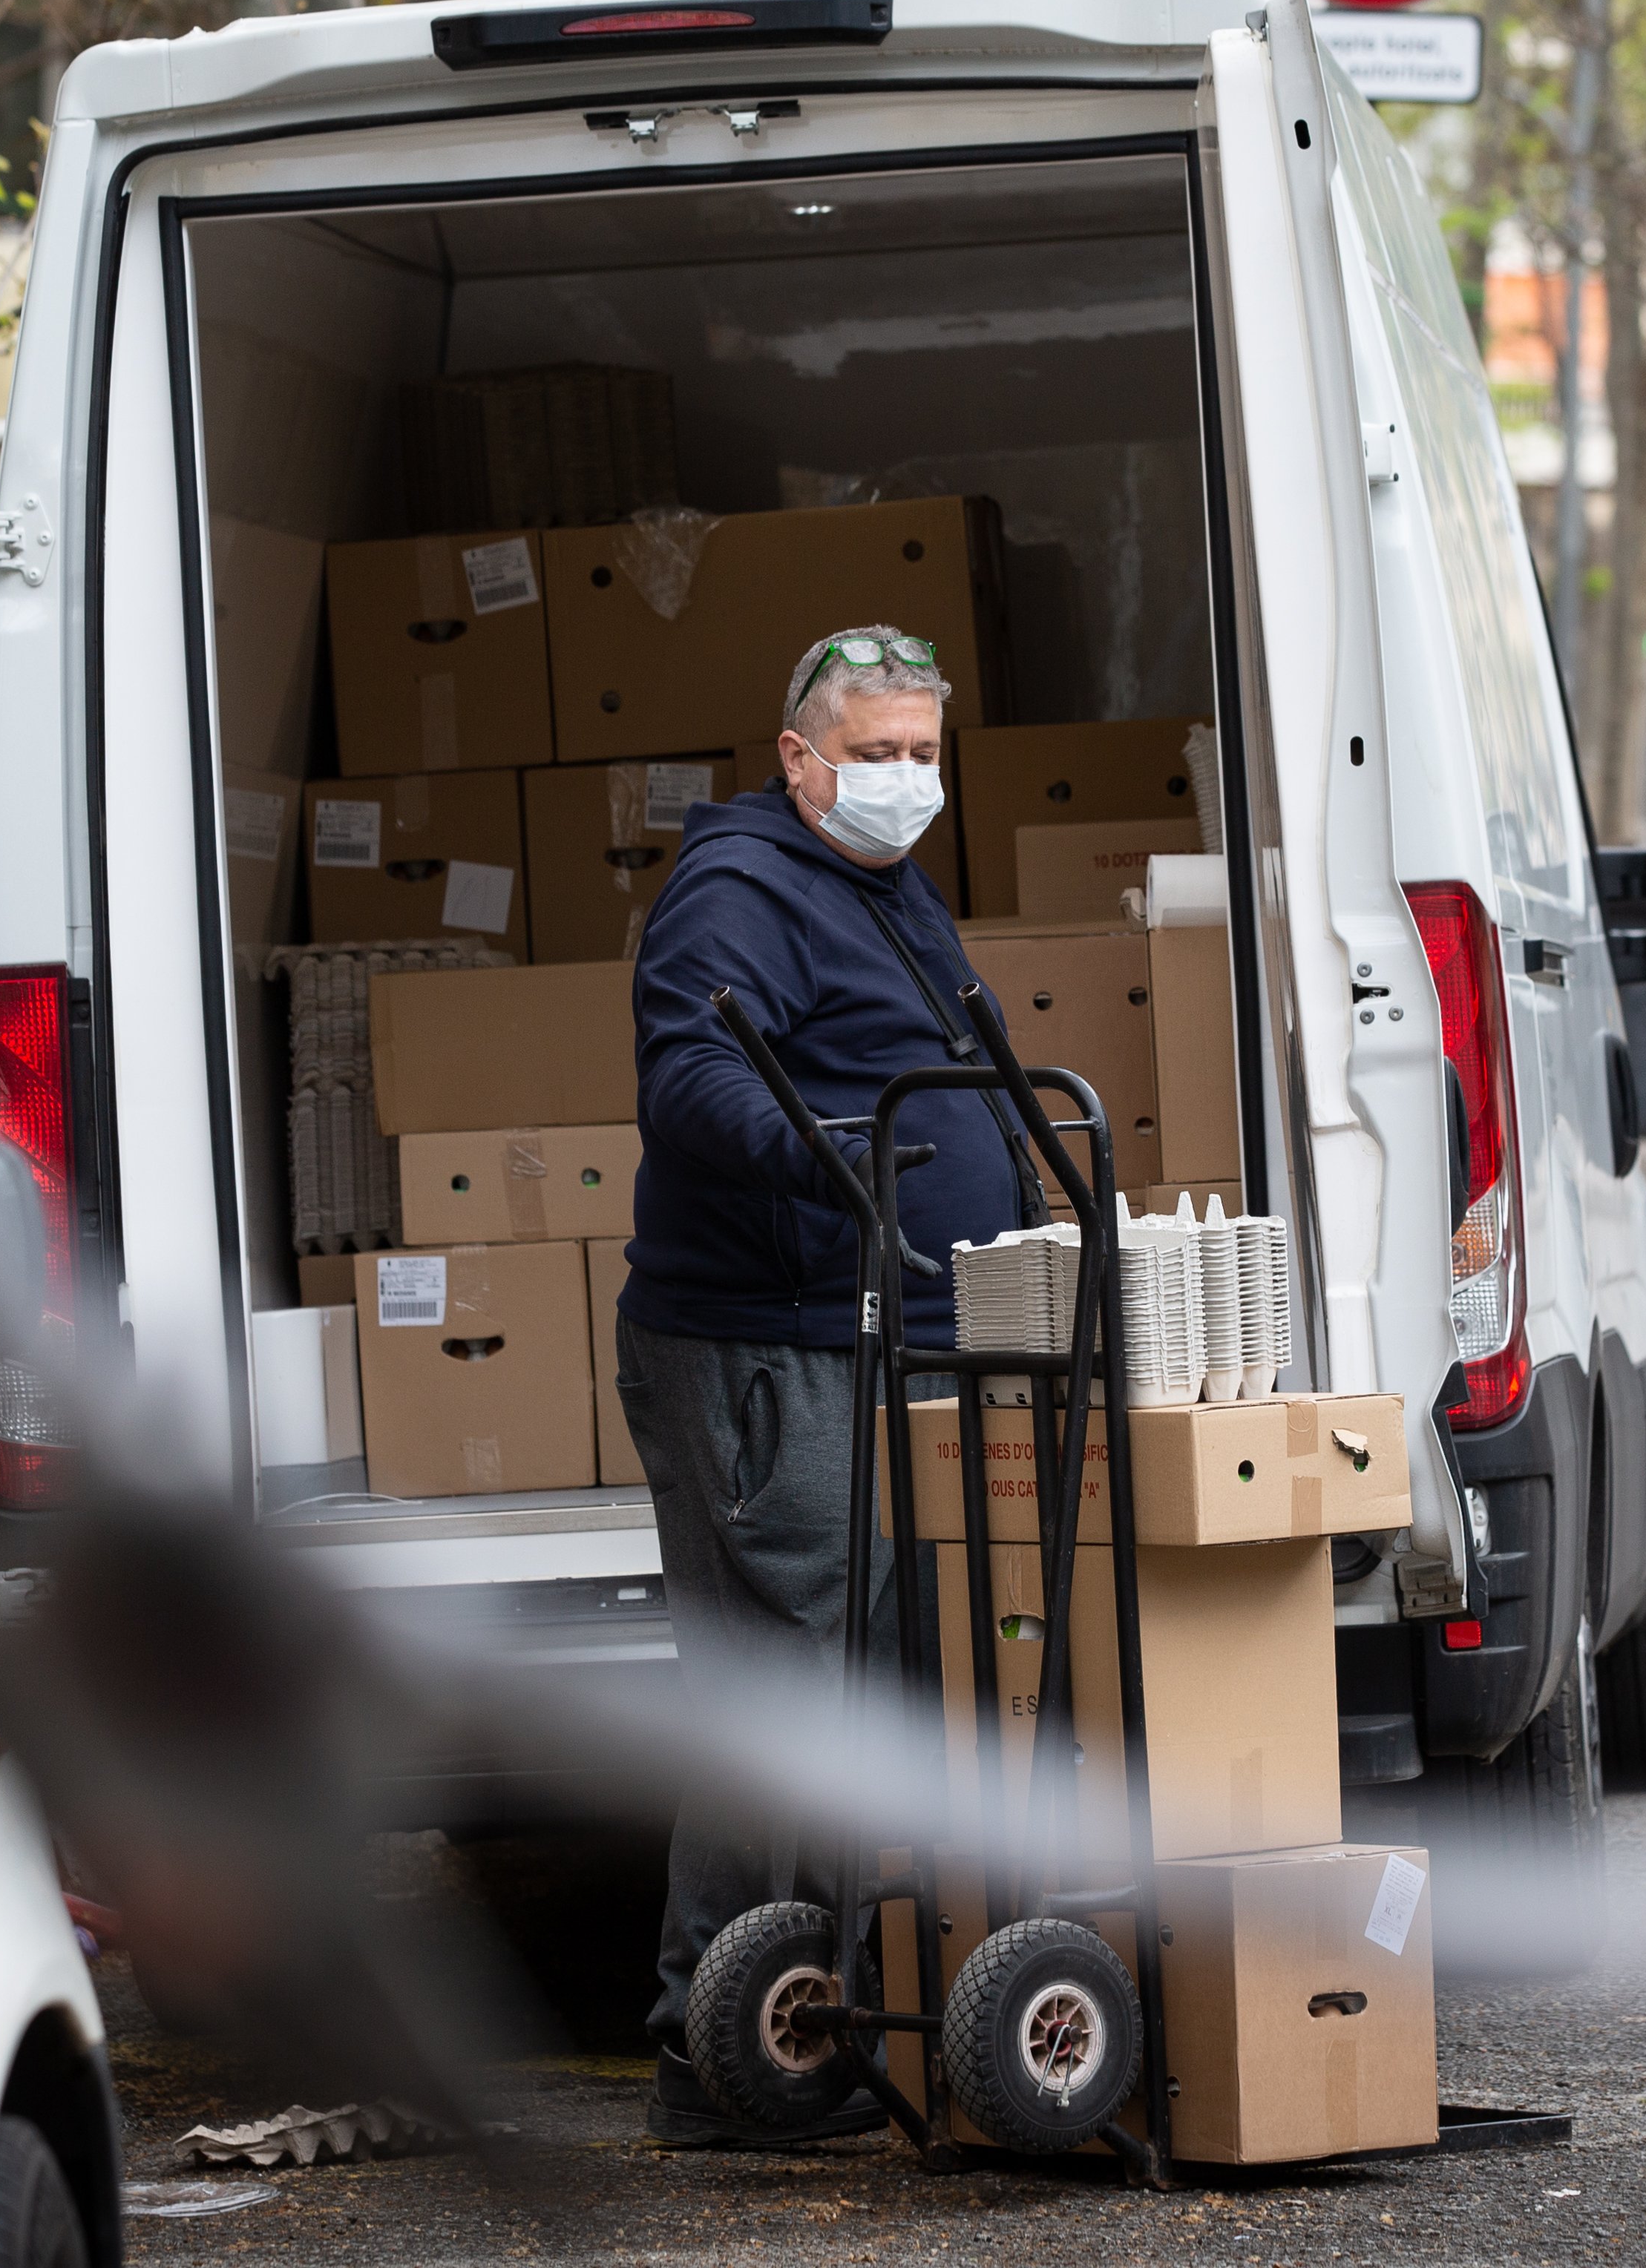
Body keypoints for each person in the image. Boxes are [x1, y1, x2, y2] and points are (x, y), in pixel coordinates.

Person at [612, 623, 1035, 2147]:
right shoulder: (736, 889)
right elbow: (693, 1076)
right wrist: (827, 1156)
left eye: (923, 753)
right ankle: (710, 2049)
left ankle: (825, 2018)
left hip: (871, 1339)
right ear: (796, 758)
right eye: (872, 754)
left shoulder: (877, 883)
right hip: (766, 1348)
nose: (903, 780)